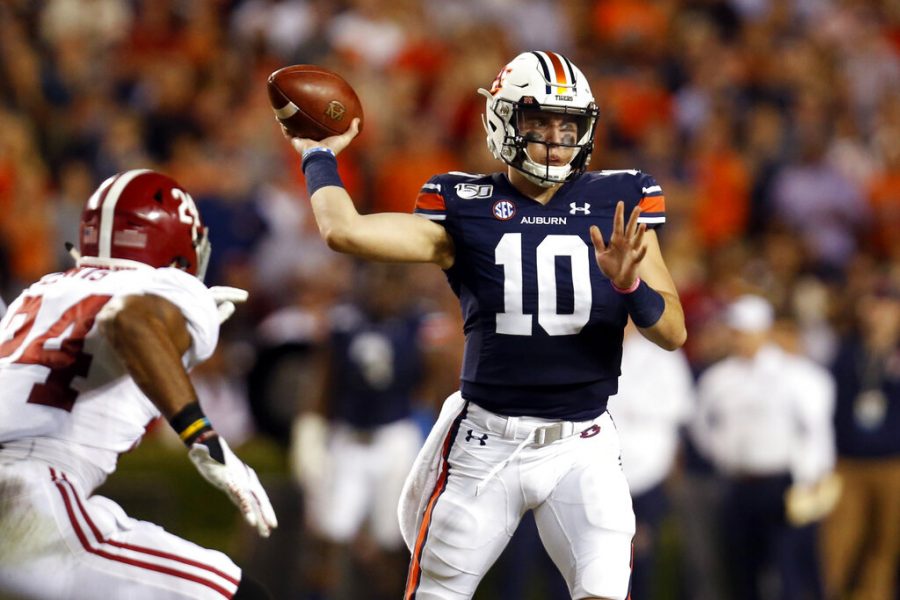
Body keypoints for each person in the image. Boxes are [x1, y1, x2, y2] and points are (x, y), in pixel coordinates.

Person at [284, 50, 686, 600]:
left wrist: (629, 286)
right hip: (485, 443)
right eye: (537, 120)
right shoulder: (464, 203)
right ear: (501, 119)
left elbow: (673, 334)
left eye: (566, 123)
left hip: (583, 443)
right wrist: (318, 155)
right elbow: (344, 232)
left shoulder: (618, 199)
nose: (553, 136)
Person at [0, 169, 278, 599]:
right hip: (31, 499)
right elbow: (128, 320)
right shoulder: (168, 284)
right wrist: (201, 436)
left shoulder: (40, 292)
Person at [291, 261, 456, 599]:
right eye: (376, 280)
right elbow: (324, 382)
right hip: (348, 435)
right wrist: (308, 430)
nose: (383, 290)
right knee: (328, 533)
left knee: (396, 538)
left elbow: (441, 388)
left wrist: (445, 443)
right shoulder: (344, 322)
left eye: (391, 281)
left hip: (396, 436)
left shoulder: (421, 323)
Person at [692, 294, 837, 600]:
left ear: (763, 331)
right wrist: (722, 454)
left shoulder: (795, 374)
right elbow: (700, 424)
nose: (739, 339)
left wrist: (811, 477)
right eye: (735, 331)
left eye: (745, 332)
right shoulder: (719, 378)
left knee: (788, 571)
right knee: (741, 569)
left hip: (783, 484)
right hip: (738, 483)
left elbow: (816, 430)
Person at [822, 276, 900, 600]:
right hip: (848, 463)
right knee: (836, 545)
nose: (875, 313)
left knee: (884, 547)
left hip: (893, 464)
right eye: (870, 305)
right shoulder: (846, 351)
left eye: (883, 306)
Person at [607, 323, 694, 599]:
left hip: (646, 471)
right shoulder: (594, 347)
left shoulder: (662, 355)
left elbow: (681, 406)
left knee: (641, 557)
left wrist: (636, 406)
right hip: (600, 471)